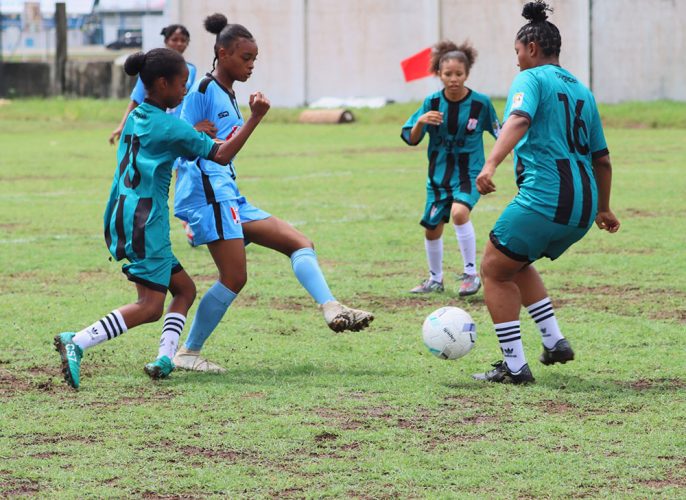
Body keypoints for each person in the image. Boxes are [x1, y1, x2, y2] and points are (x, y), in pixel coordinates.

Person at [172, 13, 374, 373]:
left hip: (227, 193)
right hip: (208, 193)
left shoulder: (227, 93)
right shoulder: (202, 91)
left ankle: (332, 307)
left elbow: (217, 144)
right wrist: (253, 119)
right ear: (223, 53)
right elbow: (183, 143)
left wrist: (224, 133)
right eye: (245, 58)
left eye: (254, 59)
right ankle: (187, 353)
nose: (251, 65)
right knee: (234, 277)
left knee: (300, 242)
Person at [53, 48, 266, 390]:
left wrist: (191, 131)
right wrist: (255, 117)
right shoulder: (170, 127)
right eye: (182, 84)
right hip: (145, 221)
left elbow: (171, 138)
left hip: (122, 212)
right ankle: (76, 341)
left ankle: (166, 358)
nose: (185, 90)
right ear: (162, 83)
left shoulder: (138, 115)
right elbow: (222, 154)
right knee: (151, 306)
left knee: (184, 289)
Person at [472, 0, 620, 384]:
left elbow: (519, 119)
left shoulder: (530, 79)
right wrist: (603, 208)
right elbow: (602, 159)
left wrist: (489, 165)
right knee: (515, 260)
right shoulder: (583, 91)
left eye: (517, 53)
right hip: (583, 207)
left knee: (493, 268)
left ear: (532, 49)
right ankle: (554, 342)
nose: (516, 61)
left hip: (546, 197)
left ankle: (514, 367)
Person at [401, 40, 499, 297]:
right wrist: (421, 122)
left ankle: (470, 274)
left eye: (459, 74)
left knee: (458, 213)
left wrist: (499, 163)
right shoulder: (431, 103)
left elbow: (501, 134)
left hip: (469, 174)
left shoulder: (481, 104)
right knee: (432, 228)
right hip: (438, 177)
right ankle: (435, 279)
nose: (454, 79)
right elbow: (411, 139)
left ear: (467, 74)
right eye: (448, 74)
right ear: (439, 74)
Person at [108, 24, 216, 246]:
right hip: (165, 133)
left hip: (177, 131)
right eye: (174, 39)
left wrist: (191, 128)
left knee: (182, 176)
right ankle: (190, 223)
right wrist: (121, 125)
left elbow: (189, 103)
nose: (179, 43)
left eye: (183, 40)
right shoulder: (150, 70)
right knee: (164, 177)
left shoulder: (190, 70)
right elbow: (136, 100)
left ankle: (189, 223)